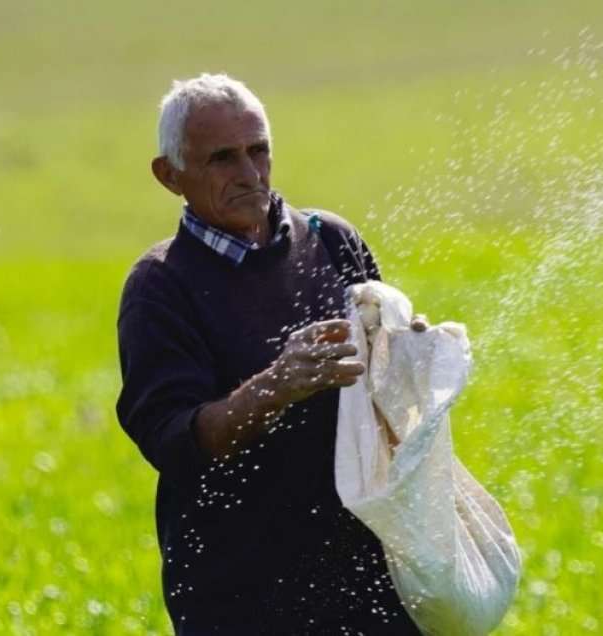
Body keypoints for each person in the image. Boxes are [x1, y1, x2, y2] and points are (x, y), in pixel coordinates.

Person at [116, 73, 423, 635]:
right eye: (223, 159)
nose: (250, 174)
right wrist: (278, 385)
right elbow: (174, 440)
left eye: (259, 151)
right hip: (241, 594)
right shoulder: (161, 286)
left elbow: (383, 395)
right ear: (170, 175)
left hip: (365, 575)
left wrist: (408, 352)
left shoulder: (331, 240)